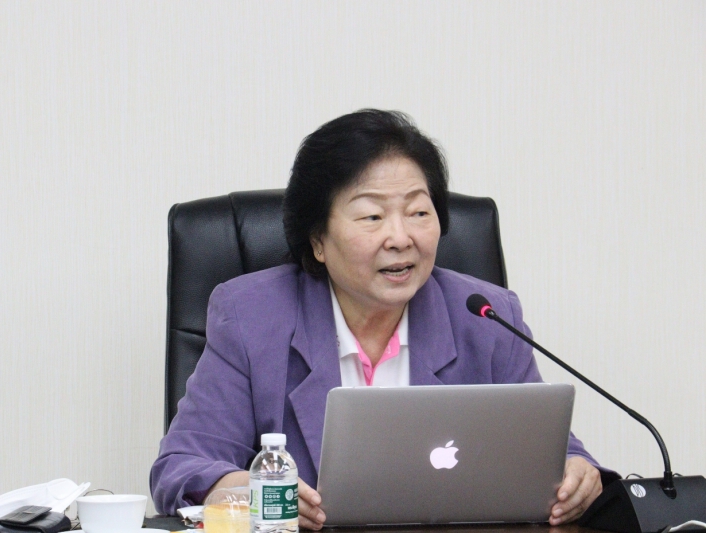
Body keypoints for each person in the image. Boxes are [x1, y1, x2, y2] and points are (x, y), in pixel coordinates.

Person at [150, 109, 616, 528]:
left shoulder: (486, 317)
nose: (400, 237)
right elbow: (181, 467)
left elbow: (553, 454)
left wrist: (577, 474)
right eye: (372, 217)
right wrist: (249, 492)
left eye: (418, 212)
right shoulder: (251, 316)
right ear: (317, 240)